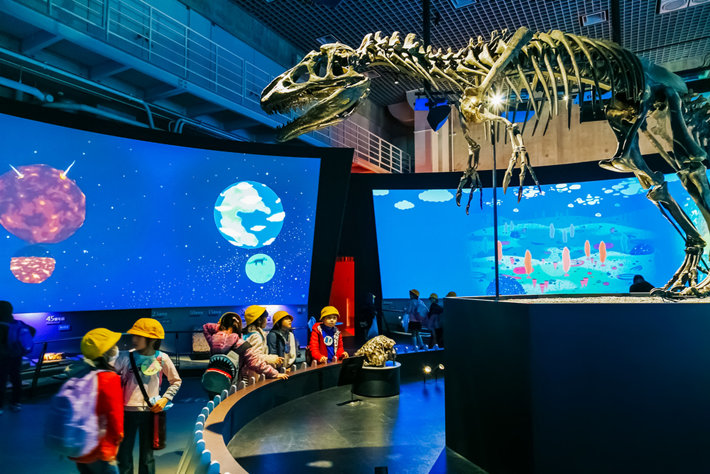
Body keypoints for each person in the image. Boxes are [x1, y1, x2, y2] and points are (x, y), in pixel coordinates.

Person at [115, 318, 181, 474]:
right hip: (126, 413)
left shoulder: (162, 358)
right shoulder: (125, 357)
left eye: (139, 336)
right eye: (134, 335)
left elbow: (176, 381)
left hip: (151, 412)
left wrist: (165, 399)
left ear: (152, 340)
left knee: (147, 455)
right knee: (123, 454)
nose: (134, 339)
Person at [71, 328, 125, 474]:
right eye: (112, 346)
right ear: (105, 352)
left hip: (80, 447)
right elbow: (115, 417)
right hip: (101, 449)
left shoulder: (79, 375)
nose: (116, 349)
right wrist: (117, 442)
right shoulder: (109, 379)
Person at [202, 312, 287, 383]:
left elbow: (206, 327)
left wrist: (220, 328)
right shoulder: (241, 344)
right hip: (230, 382)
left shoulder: (214, 340)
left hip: (211, 379)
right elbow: (256, 363)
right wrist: (275, 374)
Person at [0, 300, 35, 414]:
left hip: (2, 358)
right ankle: (16, 403)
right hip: (16, 356)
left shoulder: (1, 325)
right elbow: (33, 331)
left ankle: (0, 407)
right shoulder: (18, 323)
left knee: (1, 381)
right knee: (16, 379)